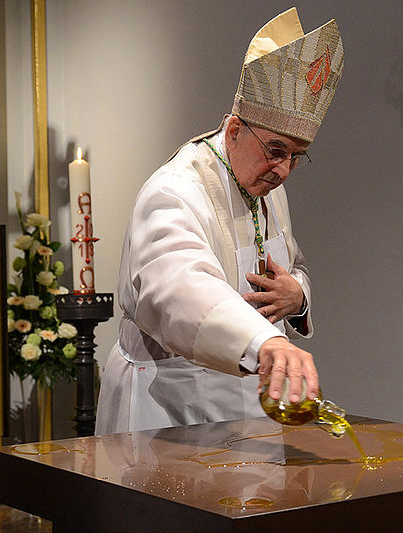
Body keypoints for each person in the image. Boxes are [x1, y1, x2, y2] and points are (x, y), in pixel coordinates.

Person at [95, 8, 344, 434]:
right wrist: (265, 341)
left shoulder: (268, 187)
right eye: (276, 150)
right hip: (168, 401)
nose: (283, 170)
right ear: (234, 131)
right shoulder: (175, 190)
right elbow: (178, 287)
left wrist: (297, 296)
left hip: (247, 396)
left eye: (295, 157)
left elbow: (294, 265)